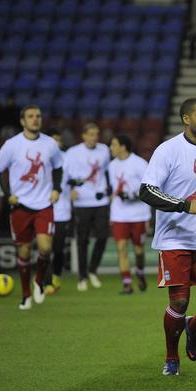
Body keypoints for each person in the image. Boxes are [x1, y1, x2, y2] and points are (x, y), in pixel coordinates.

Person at [139, 97, 196, 376]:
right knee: (178, 301)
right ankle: (171, 358)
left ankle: (193, 326)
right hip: (174, 240)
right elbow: (146, 191)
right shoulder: (168, 151)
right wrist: (183, 205)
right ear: (186, 119)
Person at [0, 105, 63, 310]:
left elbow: (58, 168)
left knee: (45, 248)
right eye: (30, 116)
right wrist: (6, 195)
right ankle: (26, 294)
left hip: (44, 205)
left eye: (38, 116)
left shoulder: (50, 144)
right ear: (22, 121)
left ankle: (39, 281)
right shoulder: (12, 145)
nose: (35, 119)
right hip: (20, 205)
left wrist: (56, 188)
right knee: (23, 252)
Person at [64, 123, 111, 292]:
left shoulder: (104, 150)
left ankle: (92, 270)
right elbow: (65, 175)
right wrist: (71, 190)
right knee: (82, 240)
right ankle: (82, 276)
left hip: (101, 200)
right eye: (91, 134)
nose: (94, 137)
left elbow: (108, 171)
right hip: (82, 201)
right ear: (83, 136)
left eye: (96, 134)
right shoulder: (72, 153)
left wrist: (110, 189)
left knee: (103, 236)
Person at [109, 135, 152, 294]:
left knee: (139, 250)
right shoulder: (112, 165)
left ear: (123, 147)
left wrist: (134, 195)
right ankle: (127, 283)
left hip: (138, 214)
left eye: (113, 144)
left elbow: (150, 187)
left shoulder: (139, 164)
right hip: (119, 214)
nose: (111, 148)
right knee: (121, 249)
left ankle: (140, 272)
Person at [43, 128, 71, 295]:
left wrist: (75, 185)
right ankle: (46, 282)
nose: (55, 143)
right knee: (45, 248)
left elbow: (74, 176)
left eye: (58, 140)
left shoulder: (67, 158)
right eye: (52, 139)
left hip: (62, 209)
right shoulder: (41, 157)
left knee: (58, 248)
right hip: (43, 208)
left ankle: (56, 275)